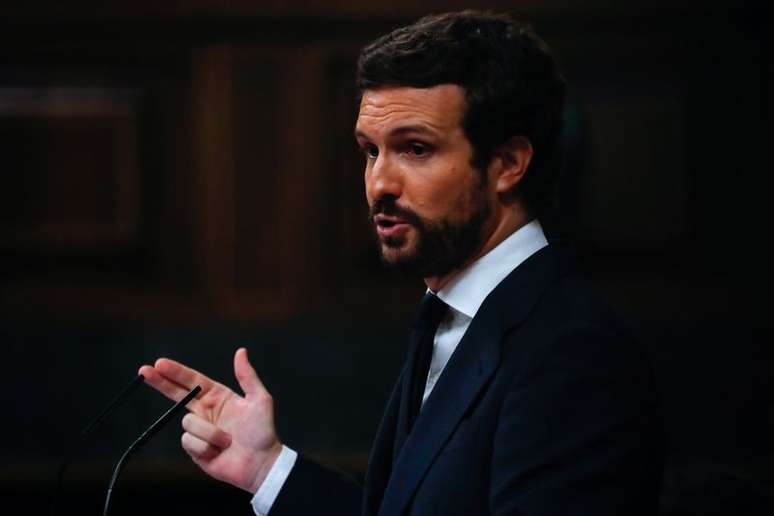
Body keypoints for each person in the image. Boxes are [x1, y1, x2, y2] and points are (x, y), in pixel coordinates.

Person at [140, 10, 664, 516]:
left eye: (415, 149)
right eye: (371, 151)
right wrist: (266, 470)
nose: (379, 184)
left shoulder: (572, 351)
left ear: (508, 164)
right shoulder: (450, 315)